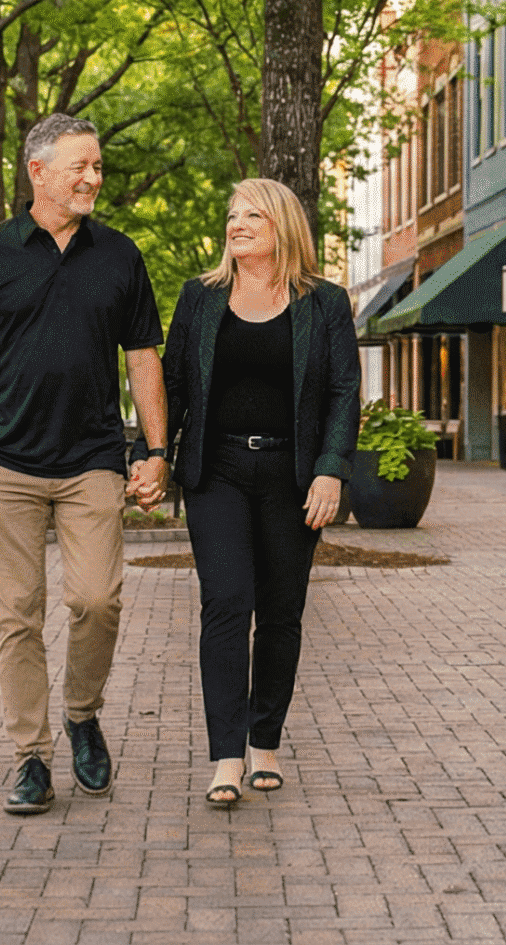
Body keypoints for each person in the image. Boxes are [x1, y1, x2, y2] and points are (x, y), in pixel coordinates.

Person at [0, 113, 169, 816]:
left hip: (91, 459)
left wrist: (155, 450)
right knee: (17, 612)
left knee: (96, 599)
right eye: (81, 166)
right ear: (39, 171)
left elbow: (142, 359)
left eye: (98, 166)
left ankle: (81, 713)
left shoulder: (120, 255)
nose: (94, 178)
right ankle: (31, 756)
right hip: (4, 462)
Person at [150, 178, 360, 808]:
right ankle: (226, 755)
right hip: (217, 472)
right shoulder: (201, 298)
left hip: (291, 477)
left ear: (282, 228)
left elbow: (344, 391)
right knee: (226, 602)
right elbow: (174, 386)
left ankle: (264, 741)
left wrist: (332, 468)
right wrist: (154, 455)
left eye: (251, 215)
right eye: (231, 215)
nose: (235, 225)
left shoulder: (324, 303)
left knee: (280, 610)